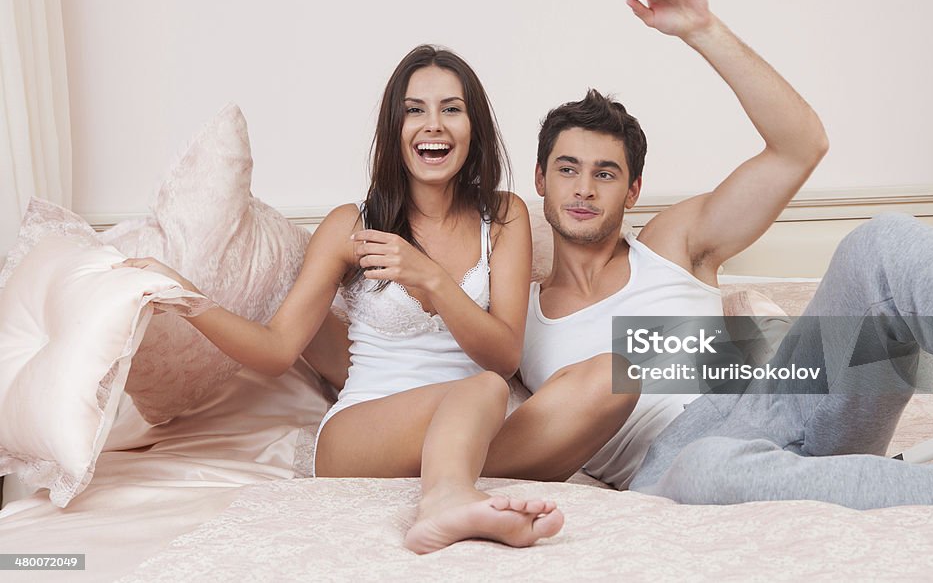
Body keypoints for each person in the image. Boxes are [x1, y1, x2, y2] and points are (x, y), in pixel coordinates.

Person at [521, 0, 933, 508]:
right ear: (539, 180)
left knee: (883, 243)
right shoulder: (512, 316)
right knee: (706, 468)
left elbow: (800, 146)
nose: (584, 189)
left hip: (781, 396)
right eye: (568, 169)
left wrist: (701, 29)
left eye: (605, 173)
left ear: (633, 190)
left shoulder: (673, 244)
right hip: (674, 462)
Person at [116, 45, 637, 554]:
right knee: (481, 390)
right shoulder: (351, 225)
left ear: (473, 126)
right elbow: (277, 350)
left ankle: (452, 475)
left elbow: (503, 355)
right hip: (362, 434)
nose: (433, 124)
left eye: (451, 110)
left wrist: (431, 280)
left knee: (614, 377)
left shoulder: (504, 217)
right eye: (415, 111)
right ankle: (446, 499)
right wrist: (186, 299)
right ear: (395, 129)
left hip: (477, 418)